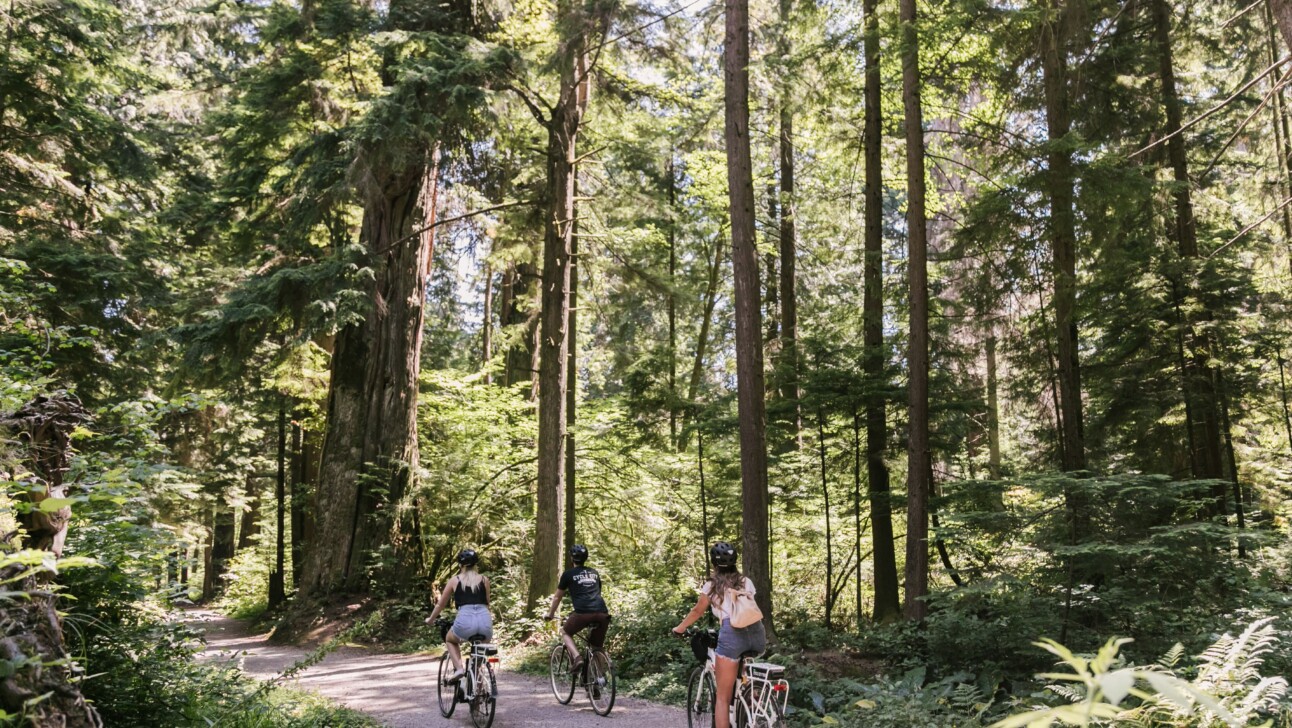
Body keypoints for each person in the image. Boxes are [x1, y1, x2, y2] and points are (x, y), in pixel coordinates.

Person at [671, 542, 766, 728]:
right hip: (757, 633)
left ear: (714, 562)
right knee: (743, 673)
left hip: (732, 634)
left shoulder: (711, 586)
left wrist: (680, 628)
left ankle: (742, 707)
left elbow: (698, 611)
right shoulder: (746, 581)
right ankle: (752, 703)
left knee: (722, 697)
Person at [425, 548, 492, 682]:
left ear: (460, 565)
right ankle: (477, 688)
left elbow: (440, 605)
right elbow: (487, 603)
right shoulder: (485, 580)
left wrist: (430, 619)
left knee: (450, 639)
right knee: (478, 659)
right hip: (485, 621)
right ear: (475, 564)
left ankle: (460, 669)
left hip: (465, 620)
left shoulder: (455, 580)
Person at [543, 544, 610, 670]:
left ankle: (577, 658)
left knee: (565, 632)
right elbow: (597, 592)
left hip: (582, 613)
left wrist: (550, 614)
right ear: (586, 558)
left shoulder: (568, 574)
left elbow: (557, 597)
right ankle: (599, 679)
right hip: (602, 613)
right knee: (597, 647)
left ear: (571, 559)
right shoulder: (594, 573)